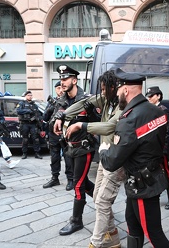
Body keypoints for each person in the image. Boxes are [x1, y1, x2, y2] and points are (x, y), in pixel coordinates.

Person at [98, 68, 169, 248]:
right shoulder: (156, 111)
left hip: (142, 186)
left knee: (154, 233)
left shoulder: (129, 120)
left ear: (125, 90)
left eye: (117, 90)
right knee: (133, 225)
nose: (116, 94)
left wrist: (103, 149)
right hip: (150, 177)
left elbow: (112, 162)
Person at [56, 70, 123, 248]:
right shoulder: (106, 99)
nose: (101, 92)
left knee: (99, 199)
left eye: (103, 88)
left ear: (112, 87)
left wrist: (81, 125)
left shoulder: (122, 104)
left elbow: (110, 126)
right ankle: (114, 238)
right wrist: (61, 115)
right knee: (97, 197)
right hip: (101, 153)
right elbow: (84, 103)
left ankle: (95, 241)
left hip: (113, 155)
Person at [51, 65, 95, 236]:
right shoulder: (61, 100)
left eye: (65, 79)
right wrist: (56, 121)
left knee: (77, 184)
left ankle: (76, 221)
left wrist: (86, 120)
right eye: (61, 79)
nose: (62, 82)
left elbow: (99, 123)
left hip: (84, 148)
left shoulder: (87, 100)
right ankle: (102, 202)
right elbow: (52, 120)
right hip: (69, 149)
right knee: (84, 183)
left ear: (74, 80)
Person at [145, 86, 169, 210]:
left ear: (158, 96)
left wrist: (162, 148)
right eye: (148, 96)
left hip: (159, 147)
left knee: (166, 173)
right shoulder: (149, 110)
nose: (149, 98)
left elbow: (164, 132)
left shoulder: (162, 110)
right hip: (150, 147)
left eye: (151, 96)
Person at [42, 81, 67, 189]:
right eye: (58, 88)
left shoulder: (68, 100)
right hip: (53, 134)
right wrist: (50, 108)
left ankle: (70, 179)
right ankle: (54, 178)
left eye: (61, 88)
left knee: (68, 156)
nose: (60, 90)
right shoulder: (52, 102)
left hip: (65, 133)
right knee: (54, 157)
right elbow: (45, 118)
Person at [16, 90, 43, 159]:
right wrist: (28, 111)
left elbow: (38, 114)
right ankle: (24, 153)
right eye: (28, 95)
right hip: (24, 124)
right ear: (25, 96)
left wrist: (39, 119)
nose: (30, 96)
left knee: (36, 139)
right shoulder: (22, 103)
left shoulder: (34, 105)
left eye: (31, 95)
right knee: (25, 139)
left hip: (33, 124)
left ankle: (37, 153)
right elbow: (18, 111)